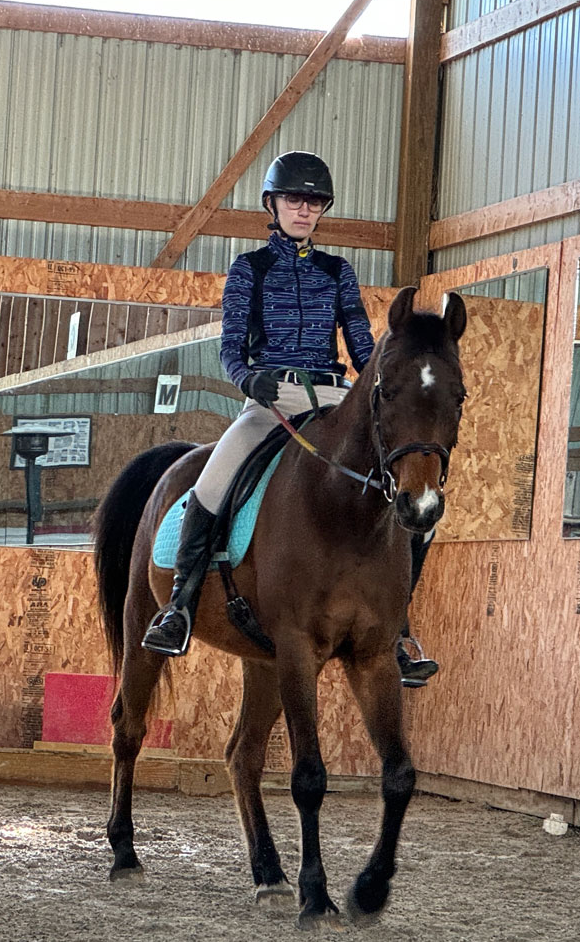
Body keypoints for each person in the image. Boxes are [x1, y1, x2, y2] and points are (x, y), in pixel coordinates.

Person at [141, 150, 437, 687]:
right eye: (294, 199)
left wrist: (375, 384)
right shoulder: (248, 269)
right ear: (272, 205)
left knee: (411, 498)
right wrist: (246, 377)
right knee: (212, 482)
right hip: (271, 401)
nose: (304, 209)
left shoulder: (337, 273)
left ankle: (399, 628)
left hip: (332, 398)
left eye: (314, 201)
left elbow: (361, 344)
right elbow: (231, 345)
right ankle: (179, 606)